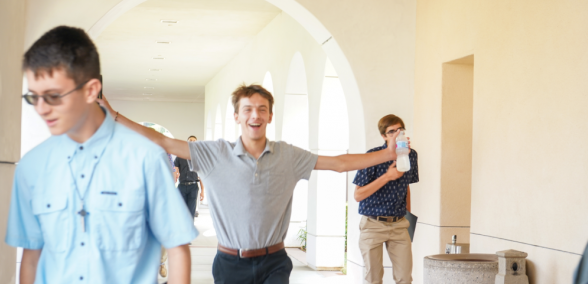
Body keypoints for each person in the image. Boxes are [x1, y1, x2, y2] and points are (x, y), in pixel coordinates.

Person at [99, 84, 406, 284]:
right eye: (247, 109)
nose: (254, 115)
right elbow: (162, 140)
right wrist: (113, 115)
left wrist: (388, 154)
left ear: (270, 115)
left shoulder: (288, 155)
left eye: (261, 109)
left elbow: (339, 164)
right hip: (230, 263)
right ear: (237, 116)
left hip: (274, 262)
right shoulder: (212, 153)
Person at [5, 26, 198, 284]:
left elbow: (177, 248)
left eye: (52, 96)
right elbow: (31, 256)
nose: (42, 109)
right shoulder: (31, 166)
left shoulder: (145, 158)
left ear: (91, 90)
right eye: (34, 97)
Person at [353, 114, 419, 284]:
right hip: (373, 224)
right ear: (383, 136)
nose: (397, 134)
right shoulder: (373, 156)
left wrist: (408, 216)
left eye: (400, 130)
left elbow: (406, 187)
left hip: (399, 224)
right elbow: (358, 195)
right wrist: (387, 177)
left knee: (405, 279)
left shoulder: (411, 156)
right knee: (374, 279)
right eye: (391, 132)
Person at [174, 136, 205, 219]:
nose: (192, 142)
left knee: (191, 211)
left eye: (194, 141)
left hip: (193, 187)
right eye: (190, 140)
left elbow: (201, 175)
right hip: (182, 186)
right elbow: (175, 171)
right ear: (187, 142)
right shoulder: (179, 156)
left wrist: (203, 191)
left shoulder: (198, 158)